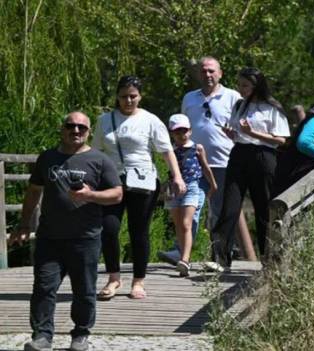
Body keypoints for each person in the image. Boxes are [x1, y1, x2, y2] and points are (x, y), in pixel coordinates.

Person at [9, 112, 123, 351]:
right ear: (62, 128)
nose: (76, 131)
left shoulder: (99, 160)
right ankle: (42, 336)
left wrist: (90, 195)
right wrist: (24, 224)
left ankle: (80, 335)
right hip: (50, 238)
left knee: (84, 290)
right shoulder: (48, 158)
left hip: (86, 238)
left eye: (82, 127)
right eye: (71, 126)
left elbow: (117, 194)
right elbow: (33, 192)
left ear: (89, 131)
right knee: (44, 287)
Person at [92, 75, 186, 300]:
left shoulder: (150, 120)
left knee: (138, 231)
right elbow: (95, 152)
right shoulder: (104, 120)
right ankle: (114, 278)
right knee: (109, 228)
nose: (128, 101)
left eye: (133, 96)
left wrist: (177, 176)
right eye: (124, 96)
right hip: (112, 181)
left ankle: (138, 281)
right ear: (117, 96)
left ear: (140, 96)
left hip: (142, 181)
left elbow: (166, 151)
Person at [161, 56, 257, 266]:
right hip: (191, 163)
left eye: (212, 71)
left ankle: (220, 255)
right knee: (189, 209)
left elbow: (245, 126)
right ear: (198, 74)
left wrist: (236, 132)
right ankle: (182, 252)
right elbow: (182, 127)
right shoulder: (189, 98)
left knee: (220, 210)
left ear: (220, 73)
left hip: (223, 162)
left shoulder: (232, 96)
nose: (208, 75)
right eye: (204, 71)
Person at [213, 67, 291, 265]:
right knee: (229, 204)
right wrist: (232, 133)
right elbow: (239, 131)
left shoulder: (271, 107)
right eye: (239, 85)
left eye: (245, 85)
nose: (241, 89)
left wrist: (253, 133)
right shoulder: (240, 105)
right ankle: (220, 256)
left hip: (264, 156)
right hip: (239, 153)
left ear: (257, 86)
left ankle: (269, 257)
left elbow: (280, 140)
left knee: (263, 206)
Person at [164, 114, 217, 277]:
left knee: (187, 222)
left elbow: (205, 167)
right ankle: (182, 256)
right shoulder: (169, 151)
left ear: (190, 131)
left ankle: (185, 260)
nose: (182, 135)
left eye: (185, 131)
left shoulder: (197, 148)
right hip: (173, 188)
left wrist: (213, 184)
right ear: (172, 133)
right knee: (179, 224)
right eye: (177, 132)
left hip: (193, 186)